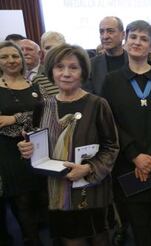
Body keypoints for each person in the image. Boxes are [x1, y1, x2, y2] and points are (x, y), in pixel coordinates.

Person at [18, 44, 119, 245]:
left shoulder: (98, 104)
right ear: (51, 71)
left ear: (83, 72)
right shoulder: (42, 106)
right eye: (59, 67)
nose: (65, 73)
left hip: (92, 192)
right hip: (58, 195)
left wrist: (89, 168)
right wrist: (27, 150)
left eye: (73, 67)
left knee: (101, 241)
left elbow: (112, 147)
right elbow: (37, 148)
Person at [101, 20, 151, 246]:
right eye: (133, 36)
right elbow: (110, 122)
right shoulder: (111, 81)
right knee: (139, 225)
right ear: (125, 40)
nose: (137, 42)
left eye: (144, 39)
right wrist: (136, 156)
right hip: (129, 165)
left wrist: (150, 158)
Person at [0, 41, 44, 245]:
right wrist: (24, 121)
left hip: (39, 148)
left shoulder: (35, 86)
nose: (11, 60)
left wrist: (14, 118)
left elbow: (44, 116)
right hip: (8, 152)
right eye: (4, 57)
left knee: (40, 199)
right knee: (22, 201)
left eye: (15, 56)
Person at [87, 16, 127, 95]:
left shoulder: (135, 61)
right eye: (101, 32)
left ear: (123, 35)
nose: (105, 36)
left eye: (110, 31)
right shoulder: (91, 65)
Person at [31, 31, 65, 96]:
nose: (52, 51)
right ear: (42, 52)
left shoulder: (75, 74)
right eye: (48, 48)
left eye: (57, 48)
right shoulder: (38, 80)